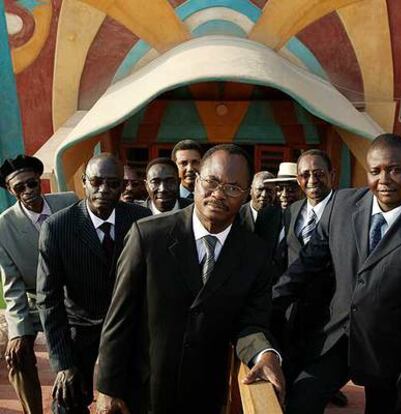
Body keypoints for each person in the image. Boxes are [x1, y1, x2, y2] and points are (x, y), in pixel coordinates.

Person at [95, 144, 285, 414]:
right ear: (196, 181)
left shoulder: (255, 254)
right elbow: (119, 317)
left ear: (245, 196)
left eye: (232, 188)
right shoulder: (148, 236)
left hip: (205, 395)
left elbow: (252, 322)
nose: (218, 194)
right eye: (211, 181)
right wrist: (107, 388)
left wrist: (266, 355)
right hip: (144, 392)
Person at [273, 134, 401, 414]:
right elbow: (305, 266)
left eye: (395, 169)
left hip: (389, 355)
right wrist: (265, 307)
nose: (384, 179)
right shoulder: (342, 205)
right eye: (375, 171)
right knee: (301, 401)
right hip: (336, 339)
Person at [36, 153, 151, 413]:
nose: (104, 190)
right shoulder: (57, 227)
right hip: (80, 339)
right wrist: (63, 363)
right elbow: (48, 299)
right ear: (84, 182)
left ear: (122, 187)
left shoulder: (141, 220)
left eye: (113, 184)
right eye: (97, 182)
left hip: (129, 336)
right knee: (65, 404)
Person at [0, 155, 77, 414]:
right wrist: (18, 332)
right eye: (19, 187)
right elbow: (12, 284)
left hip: (75, 297)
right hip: (36, 302)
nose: (28, 191)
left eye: (32, 184)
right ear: (11, 191)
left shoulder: (69, 203)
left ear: (40, 182)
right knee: (16, 356)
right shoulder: (4, 227)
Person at [280, 149, 347, 407]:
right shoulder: (292, 210)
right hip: (294, 314)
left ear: (332, 175)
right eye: (305, 175)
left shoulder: (346, 212)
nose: (312, 180)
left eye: (318, 174)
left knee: (308, 395)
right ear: (298, 179)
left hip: (330, 317)